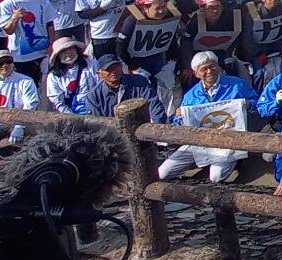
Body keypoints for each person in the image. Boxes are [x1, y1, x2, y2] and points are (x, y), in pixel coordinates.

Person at [159, 51, 254, 184]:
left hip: (229, 140)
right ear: (196, 73)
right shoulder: (190, 96)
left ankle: (236, 159)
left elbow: (257, 103)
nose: (209, 71)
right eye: (204, 69)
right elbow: (178, 124)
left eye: (212, 66)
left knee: (215, 177)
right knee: (163, 173)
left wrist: (248, 104)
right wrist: (179, 116)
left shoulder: (237, 84)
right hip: (200, 142)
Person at [77, 54, 166, 122]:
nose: (114, 72)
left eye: (116, 67)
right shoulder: (93, 96)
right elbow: (96, 124)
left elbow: (154, 106)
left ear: (121, 67)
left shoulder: (140, 82)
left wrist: (155, 128)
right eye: (108, 69)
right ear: (100, 74)